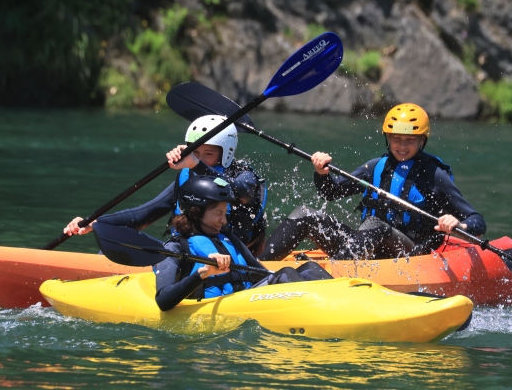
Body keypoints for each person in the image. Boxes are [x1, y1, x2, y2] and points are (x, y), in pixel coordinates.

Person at [258, 103, 487, 261]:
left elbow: (477, 220)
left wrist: (459, 225)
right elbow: (331, 192)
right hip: (363, 247)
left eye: (410, 140)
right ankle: (258, 269)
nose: (402, 145)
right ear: (387, 137)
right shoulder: (375, 166)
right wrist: (321, 173)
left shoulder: (435, 174)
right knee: (304, 214)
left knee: (375, 224)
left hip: (410, 253)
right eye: (396, 138)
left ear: (422, 140)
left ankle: (332, 275)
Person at [63, 115, 269, 256]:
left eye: (209, 153)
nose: (199, 159)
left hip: (231, 255)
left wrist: (196, 164)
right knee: (113, 244)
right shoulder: (187, 177)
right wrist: (96, 222)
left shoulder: (243, 175)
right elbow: (143, 215)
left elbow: (239, 192)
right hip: (185, 250)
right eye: (195, 152)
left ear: (227, 152)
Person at [154, 175, 332, 311]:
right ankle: (320, 310)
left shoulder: (228, 239)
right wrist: (202, 274)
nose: (224, 221)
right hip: (214, 308)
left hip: (247, 300)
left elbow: (261, 274)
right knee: (285, 273)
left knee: (310, 268)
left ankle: (343, 300)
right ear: (195, 212)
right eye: (218, 214)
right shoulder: (175, 248)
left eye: (225, 214)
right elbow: (163, 301)